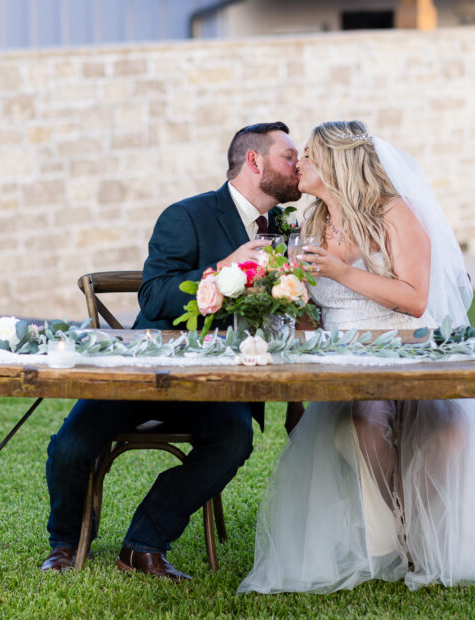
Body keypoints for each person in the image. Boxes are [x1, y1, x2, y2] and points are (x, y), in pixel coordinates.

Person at [238, 121, 475, 594]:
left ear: (340, 162)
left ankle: (424, 536)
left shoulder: (396, 214)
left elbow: (415, 299)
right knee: (364, 419)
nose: (301, 163)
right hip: (341, 360)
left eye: (312, 154)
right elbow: (313, 304)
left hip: (408, 350)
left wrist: (341, 271)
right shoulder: (311, 221)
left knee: (449, 431)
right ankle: (393, 537)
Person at [42, 122, 302, 581]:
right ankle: (64, 543)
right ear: (255, 162)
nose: (297, 166)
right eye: (289, 156)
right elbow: (156, 297)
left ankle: (144, 544)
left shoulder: (284, 228)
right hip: (152, 373)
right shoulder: (186, 216)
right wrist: (225, 269)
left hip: (221, 384)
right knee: (71, 445)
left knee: (234, 440)